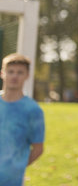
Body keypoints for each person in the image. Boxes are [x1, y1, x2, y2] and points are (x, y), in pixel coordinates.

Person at [0, 53, 45, 186]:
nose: (14, 76)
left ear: (27, 76)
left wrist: (17, 167)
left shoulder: (33, 110)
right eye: (11, 71)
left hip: (11, 180)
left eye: (20, 72)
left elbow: (38, 148)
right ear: (2, 73)